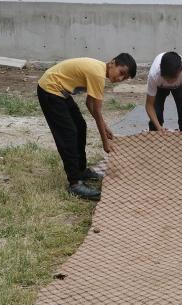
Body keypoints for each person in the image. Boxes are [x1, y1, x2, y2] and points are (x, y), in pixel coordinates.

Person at [37, 53, 137, 201]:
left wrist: (104, 125)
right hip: (50, 90)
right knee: (69, 134)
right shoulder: (97, 74)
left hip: (59, 91)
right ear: (112, 63)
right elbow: (96, 109)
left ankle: (81, 170)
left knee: (80, 126)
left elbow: (89, 103)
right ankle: (75, 183)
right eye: (121, 73)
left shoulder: (98, 71)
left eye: (125, 78)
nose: (120, 78)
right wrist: (105, 142)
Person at [146, 51, 182, 133]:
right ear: (160, 69)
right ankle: (155, 135)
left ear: (181, 70)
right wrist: (159, 127)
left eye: (173, 79)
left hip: (180, 86)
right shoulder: (154, 74)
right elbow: (149, 105)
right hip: (160, 86)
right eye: (166, 78)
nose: (169, 82)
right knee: (156, 114)